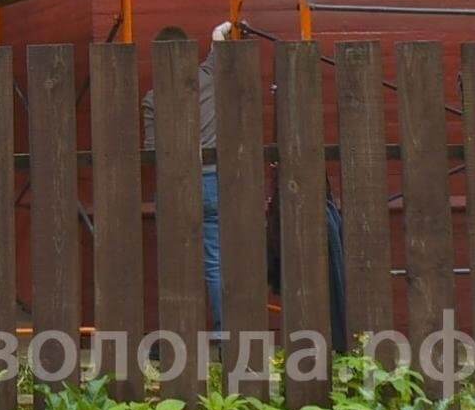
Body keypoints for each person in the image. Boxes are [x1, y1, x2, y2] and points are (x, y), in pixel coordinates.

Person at [142, 21, 347, 348]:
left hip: (175, 187)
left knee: (175, 265)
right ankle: (226, 339)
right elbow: (219, 48)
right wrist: (225, 27)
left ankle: (180, 339)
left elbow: (153, 151)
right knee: (217, 264)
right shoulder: (209, 79)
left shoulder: (153, 99)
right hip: (215, 182)